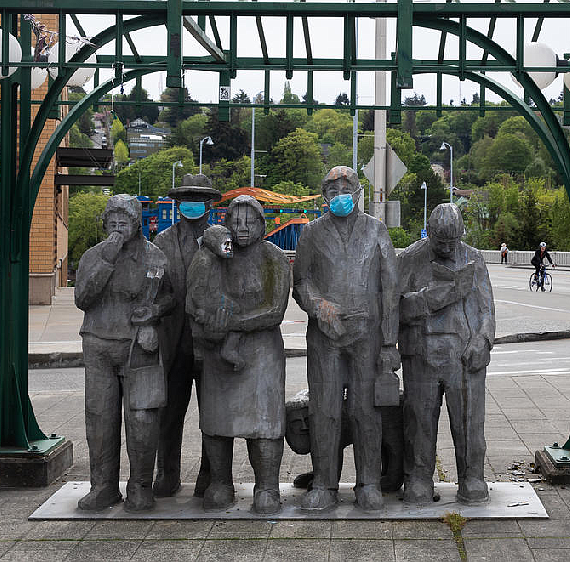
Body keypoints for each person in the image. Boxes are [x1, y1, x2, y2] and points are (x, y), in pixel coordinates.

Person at [292, 166, 400, 512]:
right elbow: (301, 283)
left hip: (366, 336)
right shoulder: (311, 233)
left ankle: (368, 482)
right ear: (324, 196)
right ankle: (324, 483)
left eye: (346, 187)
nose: (340, 194)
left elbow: (389, 289)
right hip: (325, 336)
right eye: (333, 189)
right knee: (324, 411)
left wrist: (388, 343)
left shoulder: (376, 231)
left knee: (364, 411)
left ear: (357, 192)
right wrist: (321, 308)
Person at [187, 197, 291, 514]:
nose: (242, 228)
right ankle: (220, 482)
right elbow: (195, 299)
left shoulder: (274, 257)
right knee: (218, 418)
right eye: (236, 221)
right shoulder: (217, 256)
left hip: (261, 351)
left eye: (250, 221)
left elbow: (275, 311)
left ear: (263, 225)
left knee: (265, 422)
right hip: (219, 350)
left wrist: (232, 325)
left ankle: (267, 486)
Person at [74, 195, 174, 512]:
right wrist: (108, 257)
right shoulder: (94, 256)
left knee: (143, 419)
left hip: (139, 345)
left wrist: (154, 310)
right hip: (99, 344)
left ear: (137, 224)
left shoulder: (155, 257)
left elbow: (170, 295)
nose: (118, 229)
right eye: (113, 223)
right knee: (100, 419)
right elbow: (83, 298)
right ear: (105, 224)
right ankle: (102, 486)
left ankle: (141, 485)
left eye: (125, 223)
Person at [397, 203, 495, 504]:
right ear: (430, 234)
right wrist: (429, 299)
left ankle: (472, 476)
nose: (448, 248)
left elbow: (486, 308)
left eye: (453, 242)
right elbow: (394, 307)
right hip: (422, 354)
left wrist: (483, 340)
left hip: (463, 355)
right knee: (419, 421)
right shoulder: (410, 258)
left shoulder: (474, 259)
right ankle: (418, 477)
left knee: (468, 421)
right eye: (441, 242)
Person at [153, 173, 221, 498]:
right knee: (169, 413)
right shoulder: (162, 241)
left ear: (209, 203)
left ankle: (210, 476)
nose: (192, 204)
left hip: (210, 342)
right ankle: (167, 473)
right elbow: (153, 288)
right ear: (177, 203)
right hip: (174, 341)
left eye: (199, 198)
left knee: (213, 413)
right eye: (186, 199)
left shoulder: (222, 240)